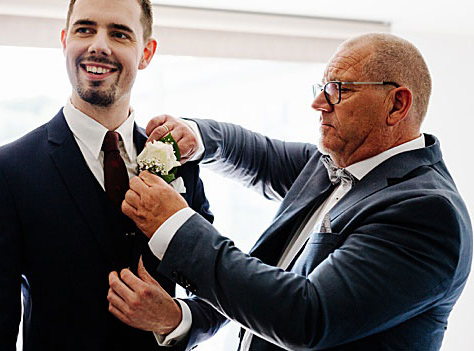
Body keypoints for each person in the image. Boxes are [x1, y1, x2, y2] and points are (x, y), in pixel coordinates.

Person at [111, 33, 472, 350]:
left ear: (396, 104)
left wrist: (177, 227)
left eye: (338, 91)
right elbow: (260, 156)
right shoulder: (335, 162)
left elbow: (307, 316)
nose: (318, 104)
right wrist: (197, 135)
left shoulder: (427, 213)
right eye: (322, 89)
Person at [0, 0, 214, 350]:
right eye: (84, 29)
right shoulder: (3, 174)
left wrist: (174, 318)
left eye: (119, 33)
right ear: (65, 41)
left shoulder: (181, 164)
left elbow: (219, 293)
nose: (99, 45)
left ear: (146, 53)